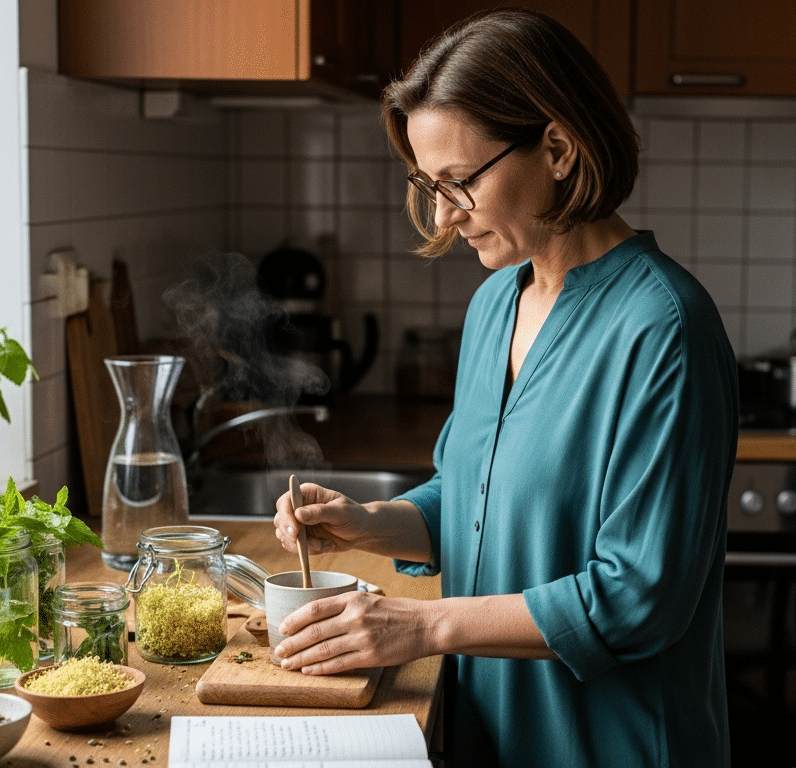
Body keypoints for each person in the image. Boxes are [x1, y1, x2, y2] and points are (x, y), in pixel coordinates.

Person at [271, 9, 737, 767]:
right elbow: (474, 499)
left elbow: (639, 598)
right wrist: (371, 522)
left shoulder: (665, 328)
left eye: (460, 183)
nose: (446, 217)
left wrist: (422, 627)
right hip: (488, 737)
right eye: (429, 186)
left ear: (555, 147)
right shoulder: (496, 304)